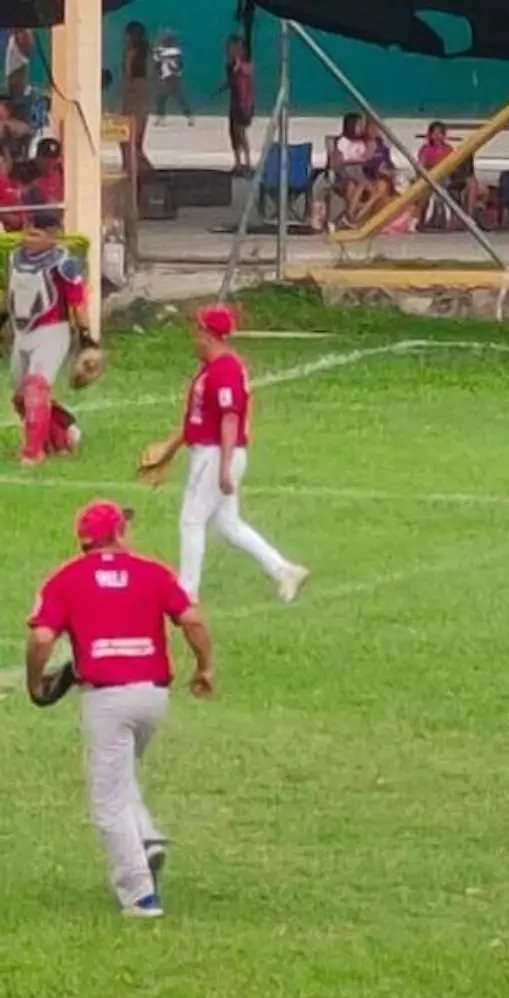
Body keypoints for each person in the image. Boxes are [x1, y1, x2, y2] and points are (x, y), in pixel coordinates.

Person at [25, 499, 215, 918]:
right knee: (121, 769)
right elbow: (192, 619)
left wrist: (34, 681)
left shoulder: (66, 579)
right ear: (118, 535)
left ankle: (140, 895)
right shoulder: (152, 571)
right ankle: (144, 837)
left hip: (106, 697)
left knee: (107, 797)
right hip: (152, 696)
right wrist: (204, 667)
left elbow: (41, 639)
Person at [136, 305, 308, 603]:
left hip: (215, 453)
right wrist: (169, 449)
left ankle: (187, 590)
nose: (194, 338)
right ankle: (284, 569)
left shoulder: (224, 368)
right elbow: (196, 420)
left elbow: (230, 418)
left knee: (192, 519)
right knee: (229, 524)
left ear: (208, 335)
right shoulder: (212, 368)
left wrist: (225, 465)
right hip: (212, 450)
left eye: (198, 331)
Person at [6, 212, 93, 465]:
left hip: (52, 332)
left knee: (36, 389)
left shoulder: (63, 263)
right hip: (22, 333)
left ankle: (33, 453)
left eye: (38, 232)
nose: (30, 235)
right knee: (22, 398)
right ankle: (63, 434)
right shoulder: (14, 258)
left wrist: (86, 338)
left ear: (53, 235)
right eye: (28, 229)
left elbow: (78, 301)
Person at [214, 33, 254, 175]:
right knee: (233, 133)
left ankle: (248, 162)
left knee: (240, 132)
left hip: (244, 101)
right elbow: (231, 80)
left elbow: (246, 78)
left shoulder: (244, 63)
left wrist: (239, 66)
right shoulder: (230, 64)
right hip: (234, 101)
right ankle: (237, 163)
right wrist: (221, 88)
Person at [118, 21, 152, 174]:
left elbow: (128, 76)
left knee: (129, 142)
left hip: (133, 98)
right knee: (132, 142)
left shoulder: (131, 54)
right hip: (140, 98)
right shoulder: (146, 53)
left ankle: (133, 171)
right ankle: (135, 170)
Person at [152, 31, 190, 125]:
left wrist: (156, 52)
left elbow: (157, 61)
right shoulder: (175, 51)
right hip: (170, 77)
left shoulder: (166, 51)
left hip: (169, 77)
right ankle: (189, 117)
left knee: (164, 99)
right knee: (171, 98)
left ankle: (161, 119)